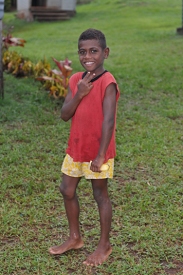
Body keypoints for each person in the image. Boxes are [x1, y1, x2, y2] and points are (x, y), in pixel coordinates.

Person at [49, 28, 120, 266]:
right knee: (66, 190)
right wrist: (79, 93)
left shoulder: (108, 82)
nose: (87, 56)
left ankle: (104, 245)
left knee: (100, 195)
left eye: (94, 51)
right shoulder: (75, 80)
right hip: (76, 148)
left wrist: (101, 156)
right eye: (82, 51)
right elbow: (64, 115)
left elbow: (109, 121)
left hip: (97, 151)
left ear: (105, 53)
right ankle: (75, 238)